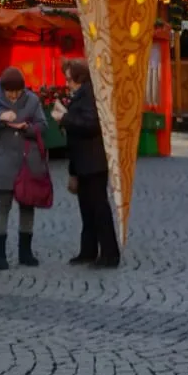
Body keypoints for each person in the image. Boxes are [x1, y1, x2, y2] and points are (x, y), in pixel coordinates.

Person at [0, 66, 48, 269]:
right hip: (2, 163)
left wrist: (28, 128)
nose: (14, 96)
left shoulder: (32, 101)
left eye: (17, 92)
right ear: (2, 89)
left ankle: (25, 252)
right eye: (10, 92)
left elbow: (43, 125)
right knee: (1, 207)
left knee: (27, 206)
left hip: (26, 162)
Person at [52, 61, 120, 268]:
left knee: (99, 209)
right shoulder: (81, 95)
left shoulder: (90, 95)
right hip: (83, 161)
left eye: (69, 79)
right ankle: (88, 251)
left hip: (94, 161)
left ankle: (109, 254)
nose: (67, 83)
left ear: (80, 78)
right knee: (87, 209)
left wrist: (64, 118)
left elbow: (91, 125)